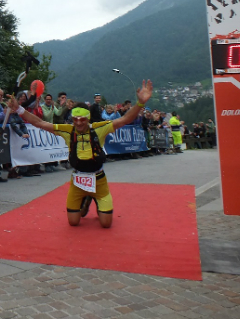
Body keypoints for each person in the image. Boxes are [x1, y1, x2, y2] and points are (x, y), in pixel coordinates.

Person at [8, 79, 153, 228]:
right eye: (75, 119)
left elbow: (125, 119)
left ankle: (95, 198)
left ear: (87, 118)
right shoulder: (68, 130)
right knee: (73, 222)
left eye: (82, 119)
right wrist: (19, 109)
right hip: (78, 181)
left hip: (99, 180)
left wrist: (140, 103)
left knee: (106, 223)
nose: (78, 123)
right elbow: (40, 123)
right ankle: (86, 198)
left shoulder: (98, 128)